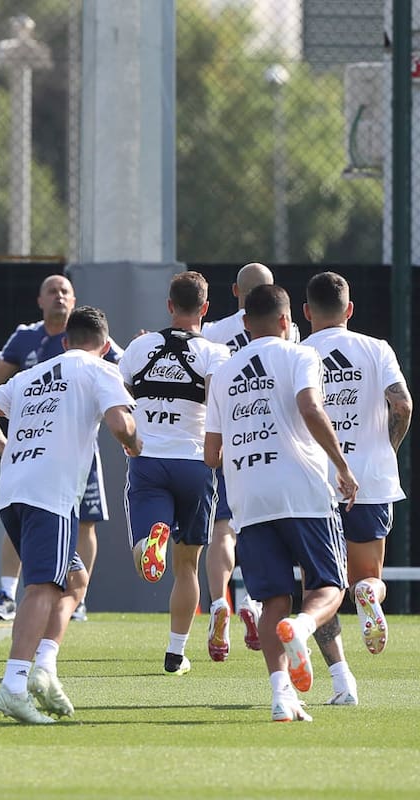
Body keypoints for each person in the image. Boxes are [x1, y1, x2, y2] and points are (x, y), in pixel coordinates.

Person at [0, 306, 140, 724]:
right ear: (105, 345)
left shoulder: (29, 375)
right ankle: (13, 685)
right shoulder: (100, 369)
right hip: (51, 494)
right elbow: (120, 424)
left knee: (74, 581)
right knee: (44, 588)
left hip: (12, 491)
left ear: (65, 341)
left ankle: (44, 668)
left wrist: (9, 451)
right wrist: (136, 445)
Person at [203, 284, 357, 723]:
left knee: (272, 600)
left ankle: (280, 696)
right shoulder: (301, 355)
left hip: (249, 498)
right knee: (330, 586)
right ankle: (303, 628)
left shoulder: (224, 372)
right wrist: (343, 467)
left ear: (245, 323)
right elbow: (310, 407)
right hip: (302, 490)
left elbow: (211, 454)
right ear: (288, 320)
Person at [0, 274, 122, 623]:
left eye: (65, 291)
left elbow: (126, 372)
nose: (59, 296)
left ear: (74, 301)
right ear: (40, 301)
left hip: (77, 451)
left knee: (85, 521)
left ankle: (76, 598)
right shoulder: (26, 336)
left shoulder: (94, 341)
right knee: (24, 513)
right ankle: (7, 594)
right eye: (52, 291)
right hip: (33, 450)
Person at [302, 271, 412, 705]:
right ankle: (368, 594)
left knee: (319, 587)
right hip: (371, 479)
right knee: (369, 578)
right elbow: (402, 404)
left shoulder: (298, 352)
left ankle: (341, 680)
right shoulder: (376, 348)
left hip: (316, 483)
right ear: (349, 309)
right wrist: (387, 450)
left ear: (306, 312)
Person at [117, 272, 230, 674]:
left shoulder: (140, 346)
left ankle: (153, 543)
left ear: (169, 305)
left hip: (148, 459)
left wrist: (138, 425)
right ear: (205, 308)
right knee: (188, 566)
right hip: (195, 464)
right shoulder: (215, 352)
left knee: (145, 554)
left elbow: (120, 396)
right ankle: (176, 653)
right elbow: (218, 403)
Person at [200, 262, 300, 656]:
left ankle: (218, 601)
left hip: (230, 438)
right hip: (276, 443)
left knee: (223, 528)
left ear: (234, 291)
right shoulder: (289, 330)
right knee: (273, 527)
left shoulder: (212, 332)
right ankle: (256, 601)